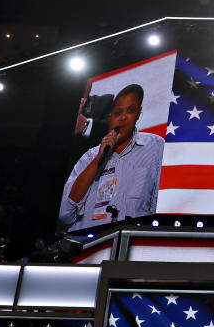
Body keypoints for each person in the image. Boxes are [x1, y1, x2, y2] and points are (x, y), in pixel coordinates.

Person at [58, 83, 164, 231]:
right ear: (110, 118)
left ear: (138, 114)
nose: (123, 117)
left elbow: (159, 205)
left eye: (131, 110)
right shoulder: (90, 156)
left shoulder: (155, 146)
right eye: (118, 113)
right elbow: (65, 214)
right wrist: (98, 158)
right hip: (90, 246)